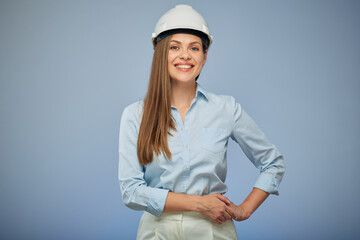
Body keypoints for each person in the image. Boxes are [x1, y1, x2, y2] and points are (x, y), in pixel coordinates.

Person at [118, 4, 285, 240]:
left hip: (214, 230)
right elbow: (131, 192)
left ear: (204, 57)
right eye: (175, 47)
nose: (185, 55)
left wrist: (244, 210)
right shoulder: (135, 115)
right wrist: (199, 204)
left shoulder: (226, 109)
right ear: (160, 53)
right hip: (157, 232)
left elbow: (273, 163)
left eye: (194, 48)